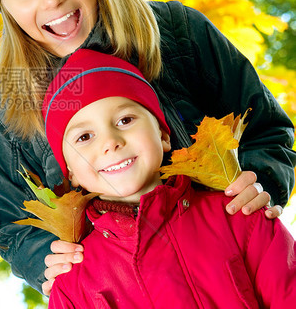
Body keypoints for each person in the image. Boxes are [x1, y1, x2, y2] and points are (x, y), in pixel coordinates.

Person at [0, 0, 296, 294]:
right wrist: (44, 258)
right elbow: (10, 221)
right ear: (5, 7)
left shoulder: (177, 31)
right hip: (122, 290)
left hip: (229, 271)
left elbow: (267, 128)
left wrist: (261, 178)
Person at [42, 48, 296, 308]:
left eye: (125, 120)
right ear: (70, 172)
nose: (110, 142)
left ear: (163, 135)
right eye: (84, 137)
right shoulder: (72, 284)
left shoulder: (240, 216)